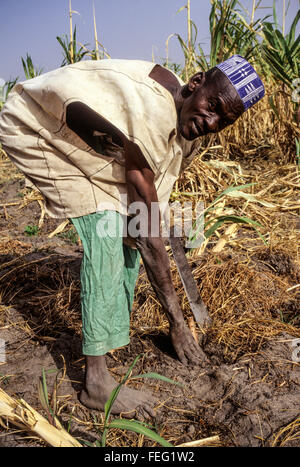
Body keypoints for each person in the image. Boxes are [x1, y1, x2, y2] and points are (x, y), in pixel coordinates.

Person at [0, 55, 264, 418]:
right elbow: (147, 225)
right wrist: (176, 320)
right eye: (212, 106)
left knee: (131, 228)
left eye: (223, 120)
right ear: (196, 83)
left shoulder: (184, 113)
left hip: (88, 138)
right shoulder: (151, 116)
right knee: (108, 225)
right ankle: (95, 382)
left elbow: (155, 203)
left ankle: (112, 336)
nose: (211, 122)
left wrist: (159, 229)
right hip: (36, 128)